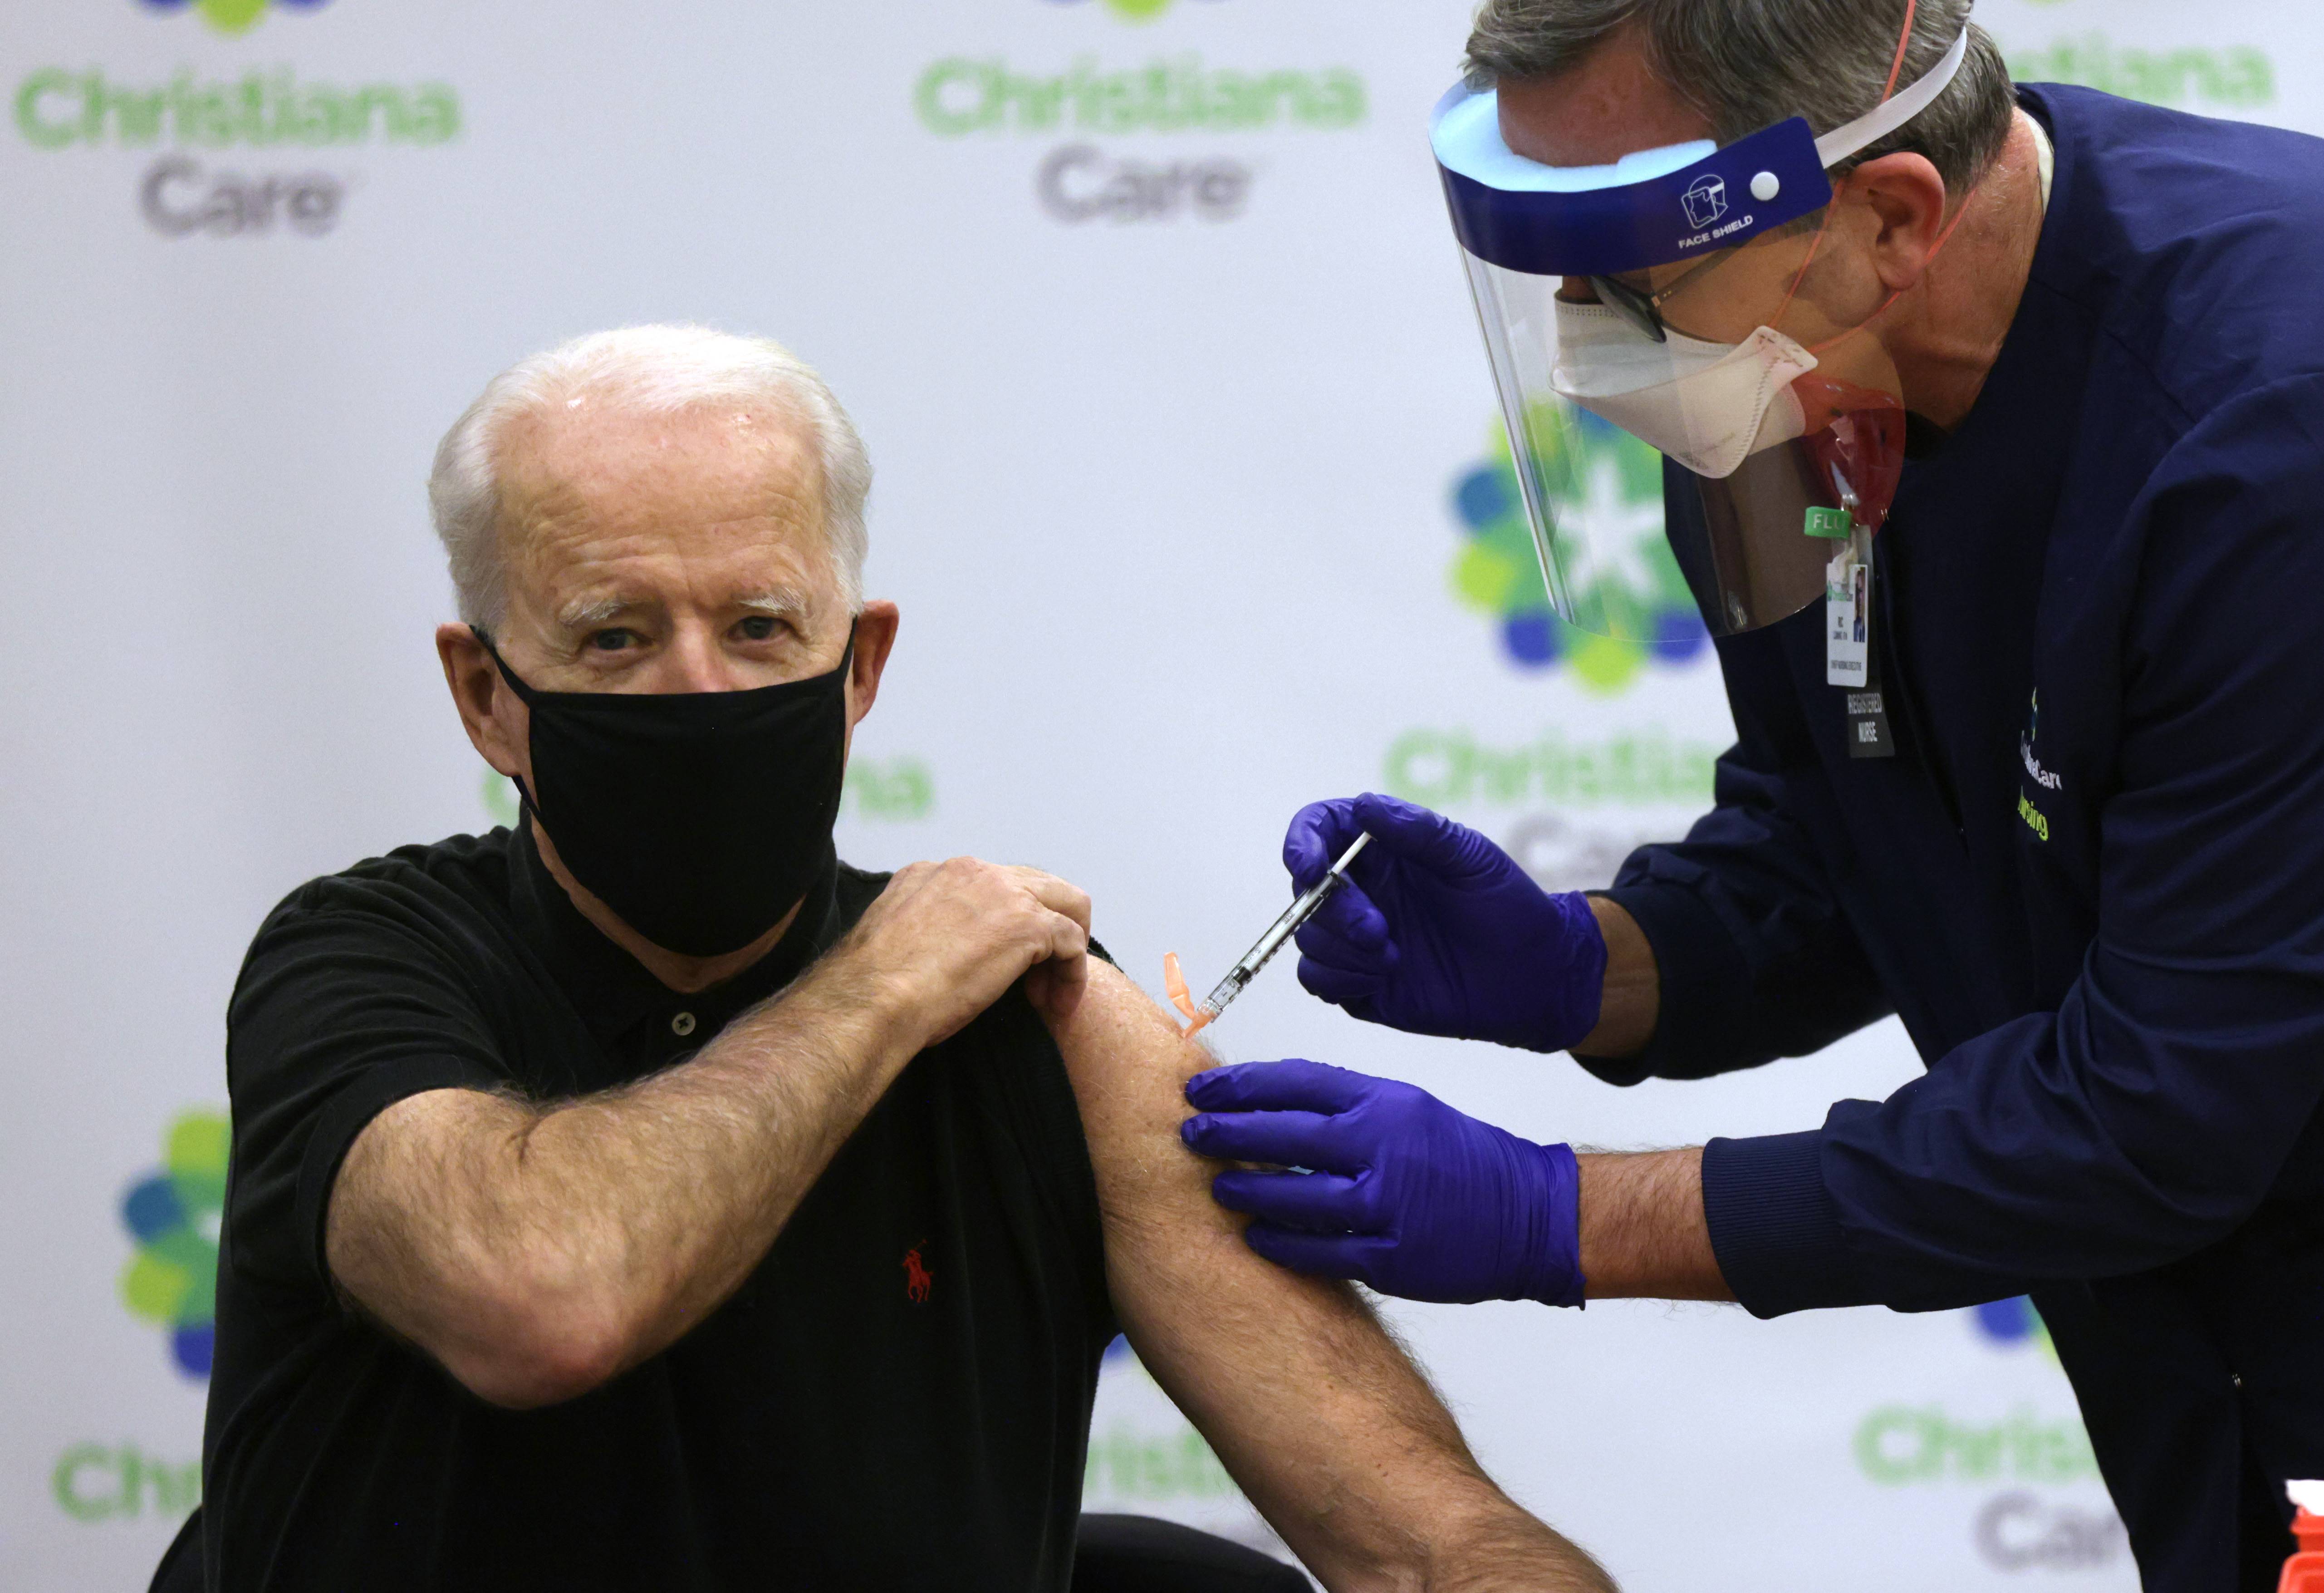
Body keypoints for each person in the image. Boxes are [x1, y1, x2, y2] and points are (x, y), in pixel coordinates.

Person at [162, 325, 1612, 1593]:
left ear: (858, 666)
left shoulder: (1040, 1023)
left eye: (757, 627)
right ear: (487, 695)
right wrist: (881, 988)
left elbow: (1431, 1543)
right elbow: (540, 1299)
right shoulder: (361, 963)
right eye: (614, 638)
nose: (699, 689)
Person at [1179, 4, 2324, 1591]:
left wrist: (1555, 1216)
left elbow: (2156, 1110)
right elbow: (1852, 824)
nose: (1587, 339)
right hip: (2207, 1370)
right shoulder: (1789, 367)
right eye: (1556, 273)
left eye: (1630, 276)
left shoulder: (2267, 441)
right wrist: (1595, 964)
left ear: (1890, 220)